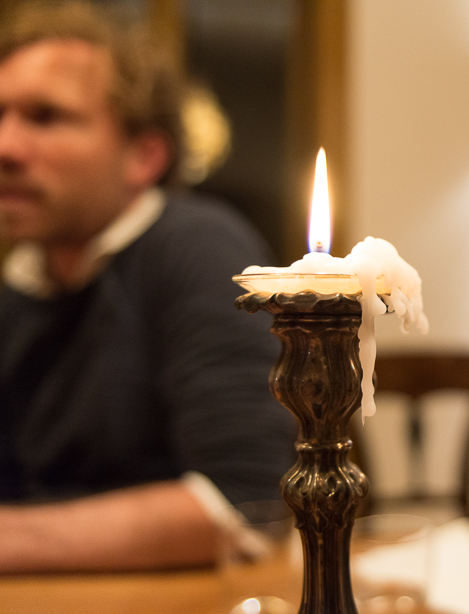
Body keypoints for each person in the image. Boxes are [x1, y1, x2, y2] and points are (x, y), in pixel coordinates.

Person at [0, 2, 295, 572]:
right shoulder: (21, 281)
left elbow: (247, 503)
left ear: (145, 155)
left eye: (45, 117)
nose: (6, 148)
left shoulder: (197, 247)